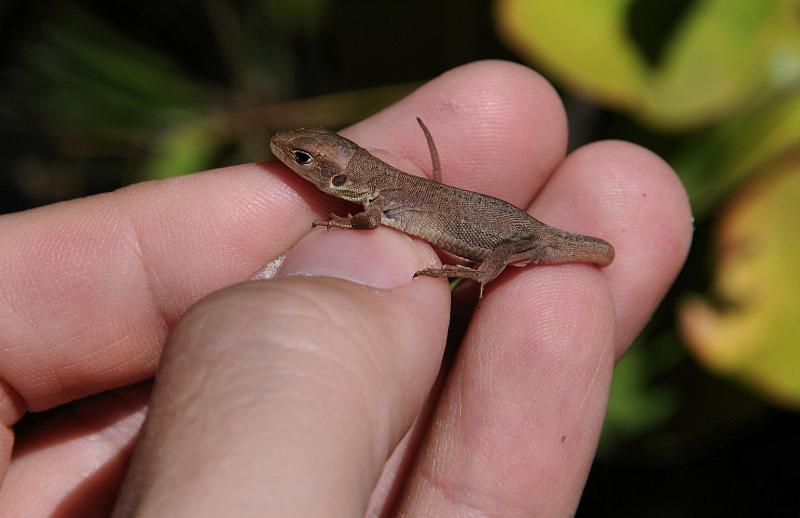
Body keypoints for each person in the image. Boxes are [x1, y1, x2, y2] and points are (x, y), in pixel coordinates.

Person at [0, 61, 692, 516]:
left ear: (340, 175)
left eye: (303, 159)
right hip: (497, 224)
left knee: (539, 256)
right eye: (305, 156)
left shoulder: (377, 202)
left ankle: (484, 268)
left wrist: (476, 269)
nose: (290, 159)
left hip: (519, 238)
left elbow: (378, 220)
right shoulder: (378, 194)